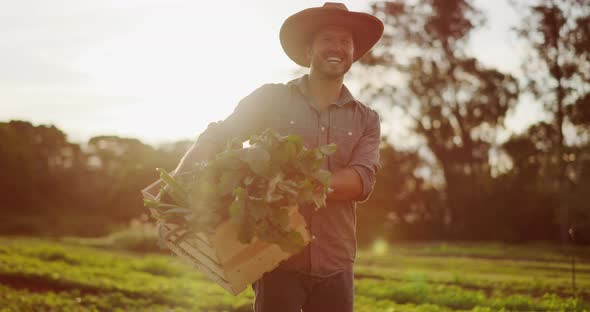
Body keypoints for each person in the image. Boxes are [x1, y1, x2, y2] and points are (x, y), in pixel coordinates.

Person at [173, 3, 383, 311]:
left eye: (345, 41)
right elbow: (217, 135)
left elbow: (361, 180)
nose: (337, 47)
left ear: (353, 53)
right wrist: (177, 186)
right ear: (309, 48)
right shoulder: (271, 99)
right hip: (276, 259)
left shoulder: (366, 118)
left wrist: (294, 183)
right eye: (327, 39)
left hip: (336, 263)